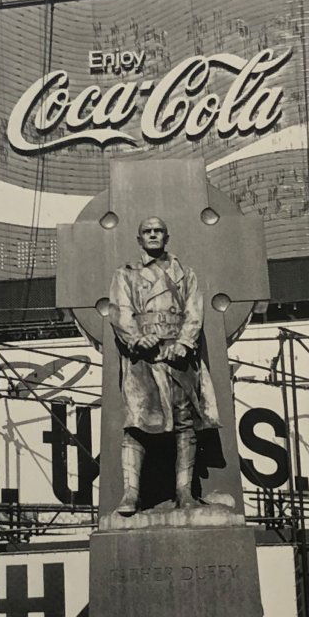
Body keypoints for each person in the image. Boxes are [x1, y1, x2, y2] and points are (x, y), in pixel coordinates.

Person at [107, 216, 220, 515]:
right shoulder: (126, 274)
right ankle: (131, 494)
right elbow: (119, 310)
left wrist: (184, 343)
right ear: (139, 239)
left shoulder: (185, 273)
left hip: (177, 358)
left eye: (158, 231)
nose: (153, 235)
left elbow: (194, 312)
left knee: (184, 424)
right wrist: (135, 338)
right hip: (142, 360)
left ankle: (184, 492)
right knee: (137, 424)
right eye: (147, 231)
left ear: (167, 237)